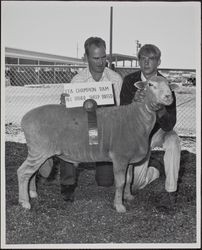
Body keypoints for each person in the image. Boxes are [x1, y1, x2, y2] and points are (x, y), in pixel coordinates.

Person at [39, 37, 123, 201]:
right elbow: (71, 114)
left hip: (105, 130)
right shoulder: (77, 80)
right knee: (67, 138)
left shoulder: (116, 79)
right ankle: (67, 184)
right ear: (86, 58)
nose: (100, 62)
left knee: (105, 182)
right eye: (95, 58)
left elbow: (119, 112)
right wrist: (65, 103)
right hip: (83, 128)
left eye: (103, 57)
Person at [120, 44, 181, 210]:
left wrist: (160, 108)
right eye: (143, 58)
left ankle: (171, 192)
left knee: (173, 140)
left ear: (159, 61)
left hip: (158, 131)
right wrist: (135, 102)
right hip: (139, 135)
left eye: (151, 59)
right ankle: (155, 167)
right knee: (135, 185)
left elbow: (169, 125)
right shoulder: (130, 81)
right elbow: (123, 116)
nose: (146, 62)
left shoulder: (165, 84)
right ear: (139, 61)